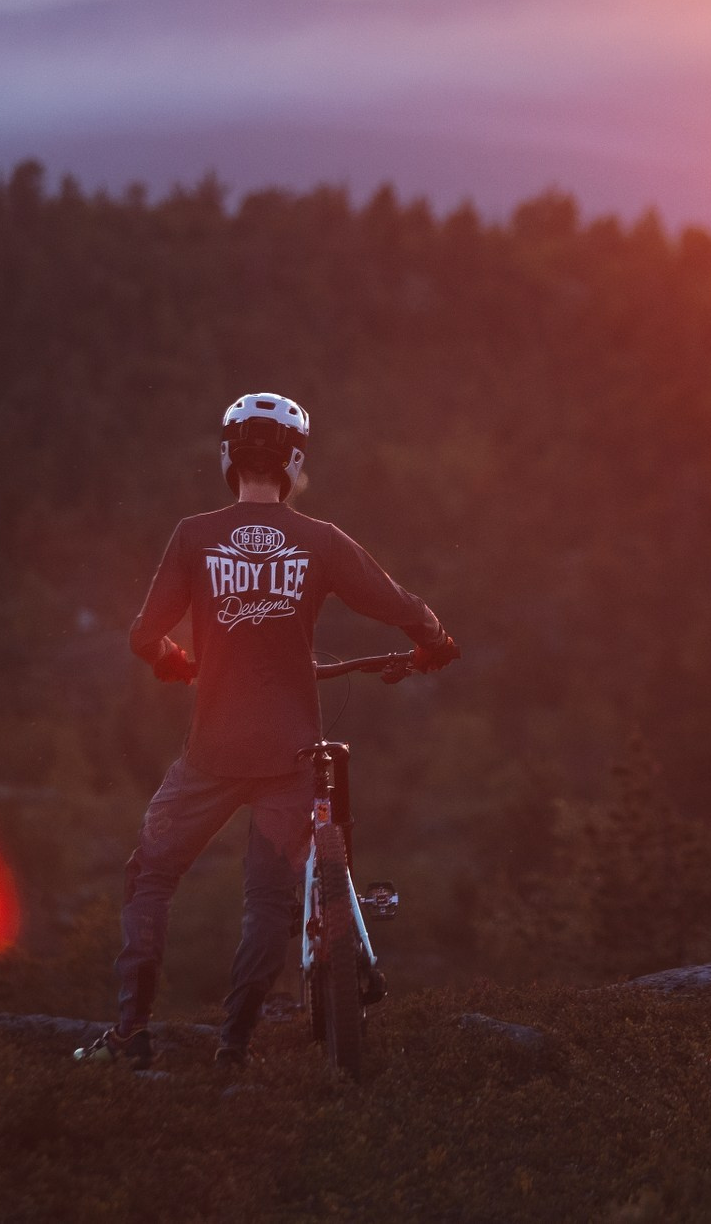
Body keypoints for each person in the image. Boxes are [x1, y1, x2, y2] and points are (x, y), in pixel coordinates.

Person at [76, 392, 458, 1068]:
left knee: (151, 877)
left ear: (228, 457)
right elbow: (396, 603)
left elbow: (143, 634)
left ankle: (130, 1035)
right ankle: (234, 1045)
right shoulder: (320, 539)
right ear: (294, 461)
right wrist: (433, 639)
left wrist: (175, 663)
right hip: (290, 752)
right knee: (267, 898)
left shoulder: (194, 534)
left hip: (212, 752)